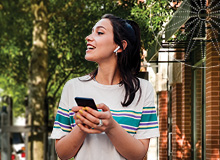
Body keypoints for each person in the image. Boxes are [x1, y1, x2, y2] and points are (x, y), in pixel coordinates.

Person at [50, 14, 159, 160]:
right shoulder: (73, 87)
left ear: (120, 46)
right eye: (92, 32)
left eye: (99, 32)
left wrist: (111, 127)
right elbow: (62, 153)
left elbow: (139, 154)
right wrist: (83, 127)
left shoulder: (143, 89)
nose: (88, 37)